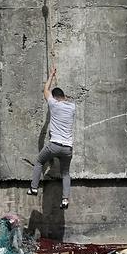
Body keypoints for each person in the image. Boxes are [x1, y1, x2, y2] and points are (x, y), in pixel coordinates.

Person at [28, 66, 76, 209]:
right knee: (65, 173)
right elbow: (64, 99)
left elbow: (46, 90)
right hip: (67, 148)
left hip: (54, 145)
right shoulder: (72, 107)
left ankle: (34, 188)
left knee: (39, 161)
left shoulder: (53, 104)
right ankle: (65, 200)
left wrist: (51, 76)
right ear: (64, 97)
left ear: (54, 98)